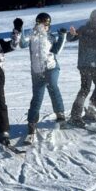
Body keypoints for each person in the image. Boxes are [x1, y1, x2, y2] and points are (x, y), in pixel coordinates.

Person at [19, 12, 68, 143]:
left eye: (46, 25)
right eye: (40, 24)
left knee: (52, 85)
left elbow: (56, 50)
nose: (43, 27)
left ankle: (60, 114)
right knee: (37, 97)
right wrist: (20, 29)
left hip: (52, 68)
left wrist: (62, 36)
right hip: (37, 72)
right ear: (36, 24)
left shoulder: (51, 37)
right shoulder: (32, 36)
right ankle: (32, 123)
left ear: (49, 26)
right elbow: (22, 44)